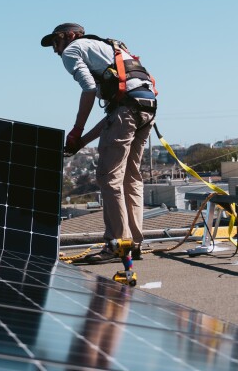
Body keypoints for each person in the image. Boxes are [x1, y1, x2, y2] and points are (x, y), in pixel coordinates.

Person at [41, 22, 157, 262]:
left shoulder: (73, 50)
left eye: (56, 42)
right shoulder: (107, 48)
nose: (55, 50)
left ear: (70, 36)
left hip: (127, 109)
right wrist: (81, 141)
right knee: (131, 177)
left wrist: (76, 129)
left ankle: (117, 244)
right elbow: (112, 118)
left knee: (108, 176)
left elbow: (89, 88)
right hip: (146, 107)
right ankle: (133, 243)